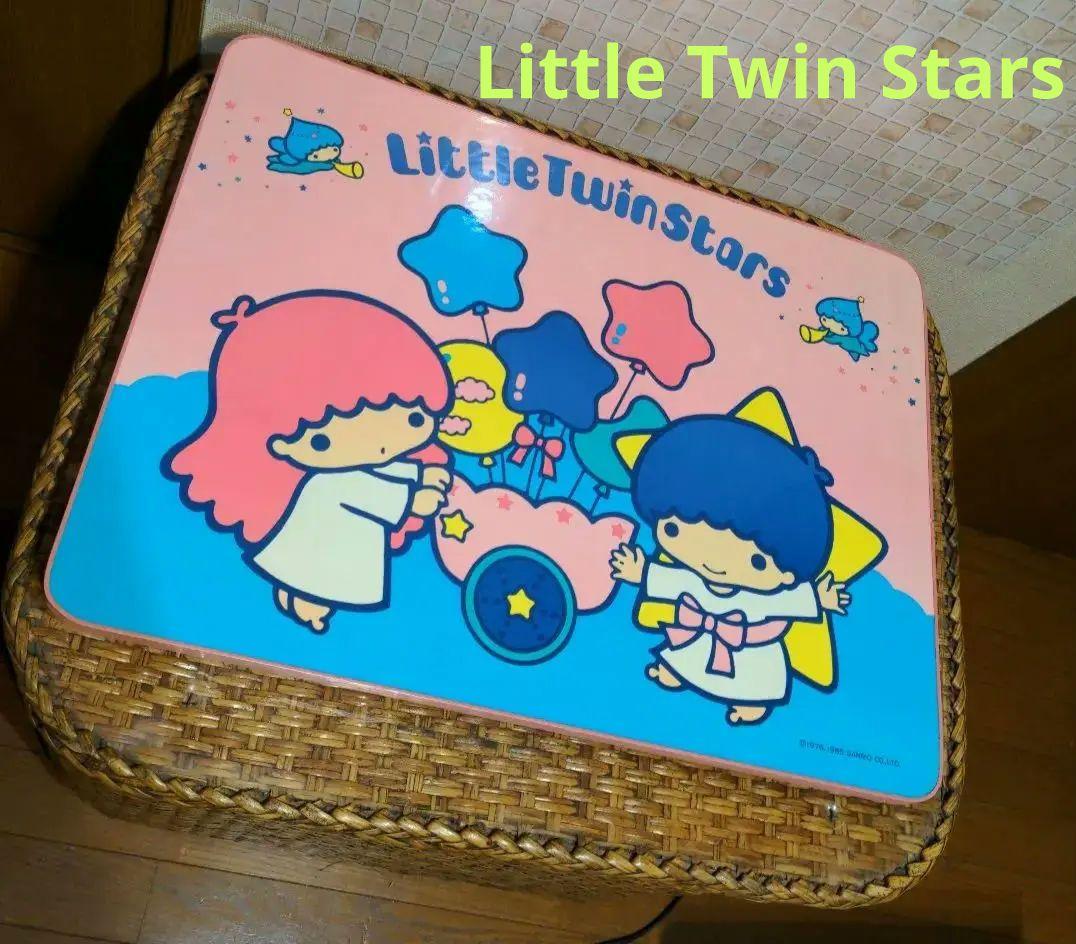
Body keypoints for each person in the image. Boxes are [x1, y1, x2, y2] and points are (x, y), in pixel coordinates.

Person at [165, 290, 453, 632]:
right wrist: (418, 498)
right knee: (316, 585)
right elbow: (378, 493)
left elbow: (382, 468)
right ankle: (305, 599)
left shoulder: (347, 471)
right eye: (321, 440)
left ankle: (297, 595)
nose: (379, 444)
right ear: (280, 444)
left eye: (414, 419)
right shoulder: (336, 482)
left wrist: (421, 473)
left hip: (321, 548)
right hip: (322, 561)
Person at [611, 415, 850, 725]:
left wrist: (819, 599)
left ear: (788, 573)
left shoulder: (766, 599)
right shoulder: (692, 581)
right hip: (696, 638)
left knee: (754, 680)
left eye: (758, 561)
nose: (715, 563)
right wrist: (641, 571)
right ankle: (679, 673)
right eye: (674, 529)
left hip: (750, 651)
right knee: (686, 658)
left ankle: (753, 701)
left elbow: (788, 601)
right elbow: (671, 580)